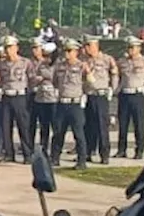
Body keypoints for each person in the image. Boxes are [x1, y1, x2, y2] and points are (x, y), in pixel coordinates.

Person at [50, 38, 93, 170]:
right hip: (62, 103)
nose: (66, 54)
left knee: (79, 134)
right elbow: (55, 82)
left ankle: (81, 161)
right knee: (58, 133)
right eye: (65, 51)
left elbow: (90, 82)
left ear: (76, 52)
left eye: (69, 51)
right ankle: (54, 158)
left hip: (75, 104)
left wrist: (84, 94)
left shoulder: (82, 66)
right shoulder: (60, 66)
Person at [116, 37, 144, 159]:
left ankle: (139, 150)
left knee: (138, 124)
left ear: (139, 48)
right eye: (128, 47)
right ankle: (121, 149)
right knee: (123, 124)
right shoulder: (122, 61)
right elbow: (117, 76)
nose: (130, 50)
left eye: (132, 47)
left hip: (137, 95)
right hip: (124, 95)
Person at [0, 36, 34, 163]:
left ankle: (27, 154)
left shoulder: (25, 63)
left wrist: (28, 95)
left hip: (20, 96)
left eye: (10, 47)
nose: (8, 51)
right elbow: (0, 80)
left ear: (16, 48)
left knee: (23, 126)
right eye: (6, 48)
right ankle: (9, 154)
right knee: (6, 126)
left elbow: (32, 79)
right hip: (6, 96)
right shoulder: (2, 64)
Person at [82, 36, 119, 165]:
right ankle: (88, 151)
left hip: (101, 95)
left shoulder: (107, 59)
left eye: (88, 46)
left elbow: (114, 74)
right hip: (88, 96)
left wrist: (112, 90)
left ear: (95, 46)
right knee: (88, 126)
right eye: (85, 46)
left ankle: (104, 154)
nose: (86, 49)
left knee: (101, 126)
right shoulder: (84, 61)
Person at [32, 42, 59, 159]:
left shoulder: (58, 65)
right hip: (41, 98)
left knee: (56, 127)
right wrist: (38, 79)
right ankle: (43, 149)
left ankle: (55, 152)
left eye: (48, 55)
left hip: (53, 98)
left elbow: (57, 78)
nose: (46, 58)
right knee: (44, 127)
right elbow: (35, 76)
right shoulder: (41, 64)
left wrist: (45, 77)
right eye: (45, 55)